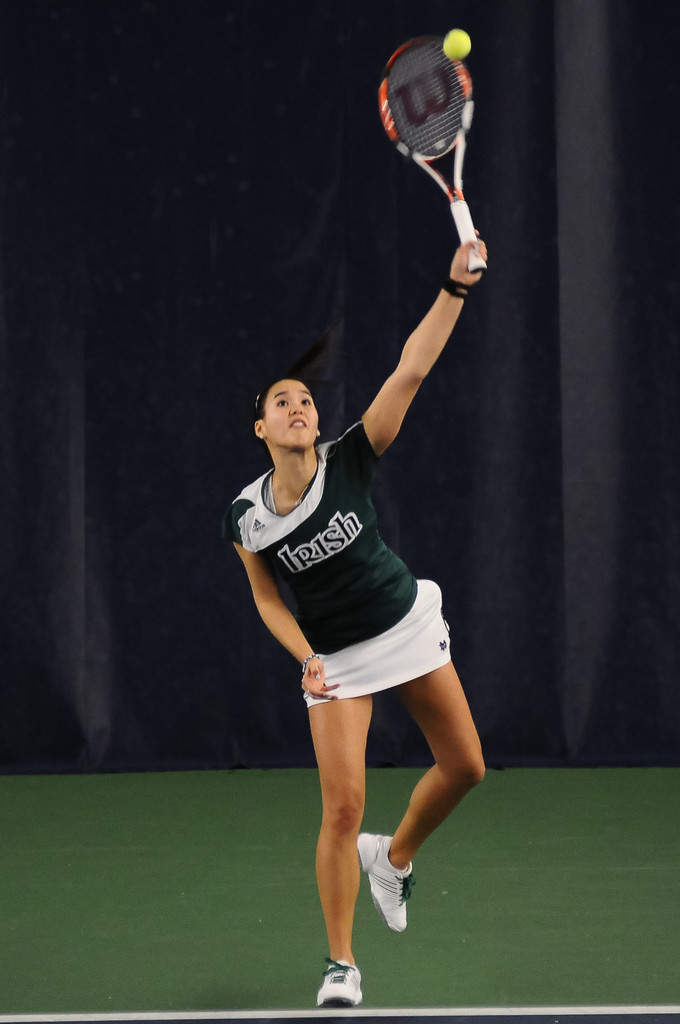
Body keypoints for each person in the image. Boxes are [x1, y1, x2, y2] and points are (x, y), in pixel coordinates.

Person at [223, 238, 488, 1008]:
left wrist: (453, 288)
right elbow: (268, 598)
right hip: (333, 656)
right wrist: (304, 653)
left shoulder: (353, 457)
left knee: (466, 767)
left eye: (306, 399)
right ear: (262, 431)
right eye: (283, 402)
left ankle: (395, 859)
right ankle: (341, 965)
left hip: (403, 624)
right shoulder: (246, 515)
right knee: (341, 807)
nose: (300, 407)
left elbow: (412, 368)